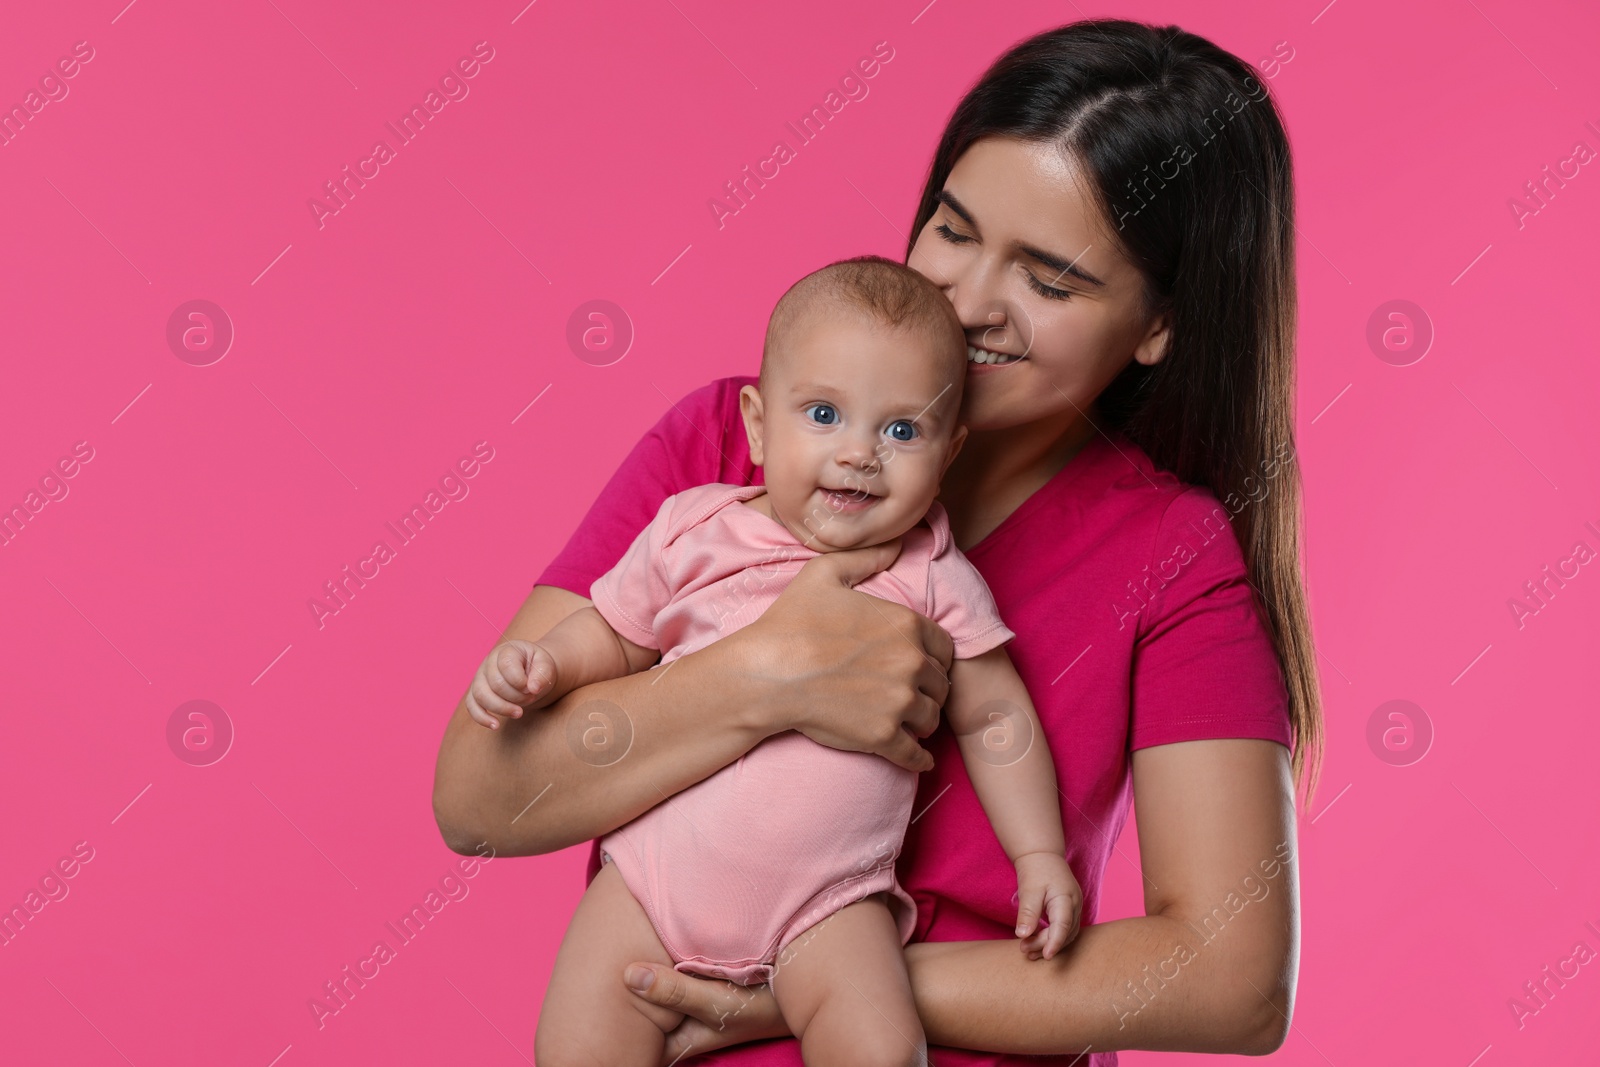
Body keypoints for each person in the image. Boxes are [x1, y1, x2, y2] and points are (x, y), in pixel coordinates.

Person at [432, 18, 1322, 1066]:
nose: (966, 300)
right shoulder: (728, 439)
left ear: (1157, 323)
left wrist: (820, 983)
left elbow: (1231, 981)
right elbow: (479, 795)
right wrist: (767, 674)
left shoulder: (1171, 551)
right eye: (952, 229)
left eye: (1049, 279)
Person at [472, 257, 1081, 1066]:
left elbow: (995, 712)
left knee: (882, 1046)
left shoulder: (933, 574)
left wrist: (1039, 852)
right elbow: (616, 631)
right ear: (758, 425)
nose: (860, 453)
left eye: (902, 430)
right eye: (824, 413)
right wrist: (542, 665)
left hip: (827, 906)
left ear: (948, 451)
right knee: (577, 1044)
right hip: (655, 877)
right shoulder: (697, 530)